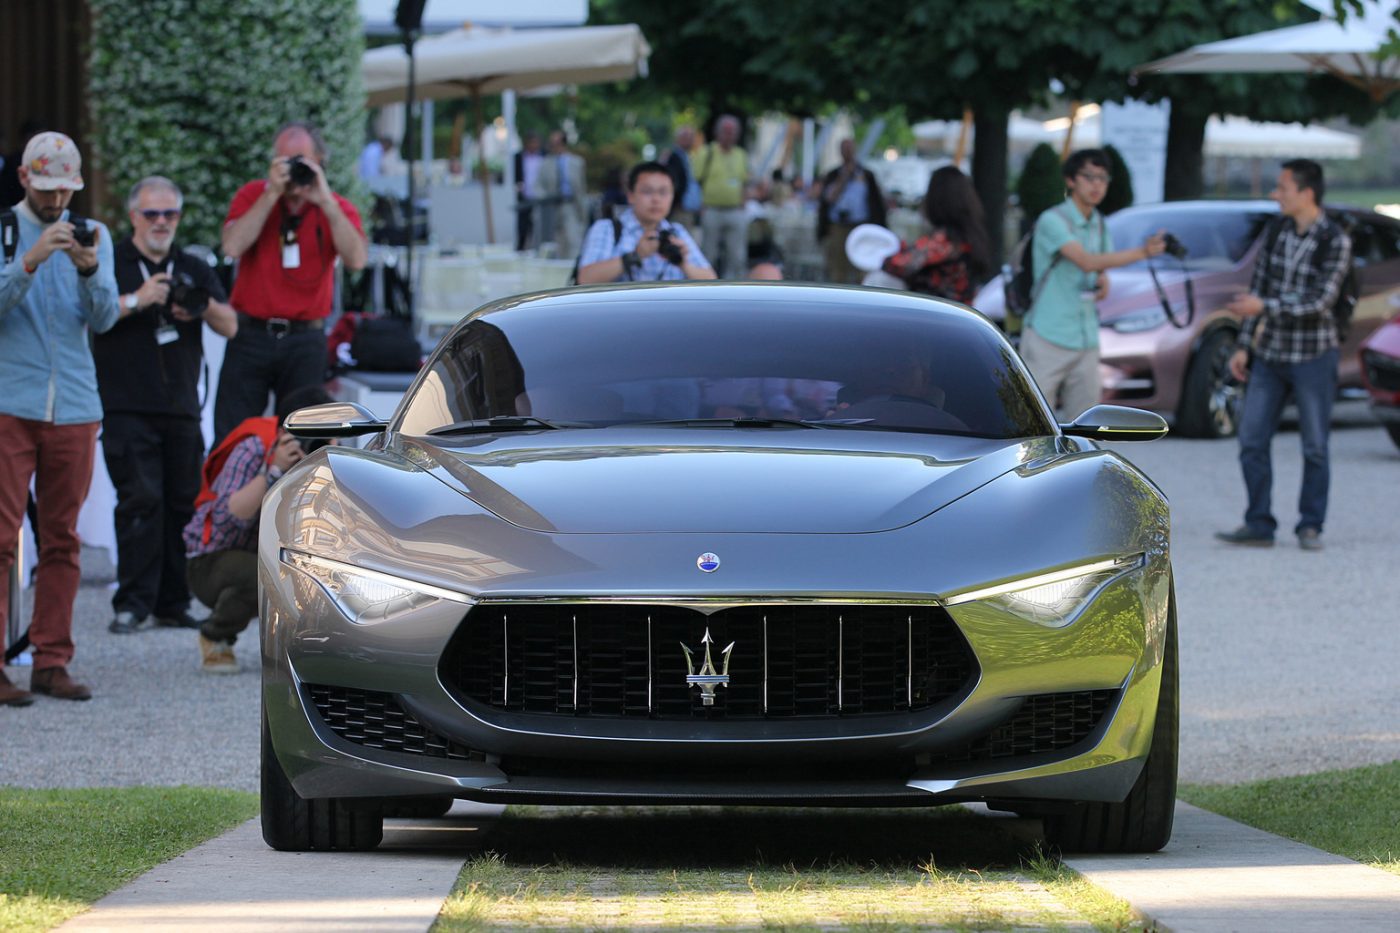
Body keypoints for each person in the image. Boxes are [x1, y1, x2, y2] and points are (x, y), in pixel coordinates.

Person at [0, 131, 118, 706]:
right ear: (25, 178)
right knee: (2, 538)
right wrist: (30, 260)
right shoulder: (5, 230)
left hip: (74, 405)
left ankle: (51, 662)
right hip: (10, 403)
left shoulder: (94, 234)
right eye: (46, 189)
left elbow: (106, 318)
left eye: (64, 191)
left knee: (62, 538)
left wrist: (90, 269)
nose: (55, 202)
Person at [95, 176, 238, 636]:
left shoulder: (192, 265)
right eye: (151, 214)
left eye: (169, 214)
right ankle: (133, 603)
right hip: (126, 404)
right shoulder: (111, 261)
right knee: (140, 503)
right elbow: (93, 316)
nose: (161, 222)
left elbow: (230, 324)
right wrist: (139, 299)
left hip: (181, 407)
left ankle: (173, 602)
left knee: (181, 505)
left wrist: (200, 306)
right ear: (133, 216)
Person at [1216, 159, 1352, 551]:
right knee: (1251, 439)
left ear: (1307, 193)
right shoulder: (1277, 232)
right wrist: (1244, 345)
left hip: (1314, 356)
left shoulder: (1334, 239)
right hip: (1271, 354)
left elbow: (1320, 302)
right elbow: (1257, 289)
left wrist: (1266, 307)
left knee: (1315, 446)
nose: (1275, 195)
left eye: (1283, 188)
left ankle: (1310, 525)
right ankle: (1259, 523)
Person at [215, 121, 367, 444]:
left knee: (303, 439)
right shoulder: (254, 195)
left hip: (305, 339)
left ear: (319, 162)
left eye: (301, 162)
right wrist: (271, 194)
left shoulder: (334, 206)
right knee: (234, 437)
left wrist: (325, 201)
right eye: (284, 161)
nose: (292, 171)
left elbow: (356, 259)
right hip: (251, 335)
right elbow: (232, 247)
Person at [185, 385, 332, 673]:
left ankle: (308, 652)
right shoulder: (254, 448)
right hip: (211, 560)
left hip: (263, 554)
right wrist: (273, 471)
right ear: (284, 431)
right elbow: (228, 518)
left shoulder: (325, 455)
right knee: (272, 575)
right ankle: (214, 636)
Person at [1020, 149, 1165, 418]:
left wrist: (1102, 282)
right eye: (1089, 177)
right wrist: (1143, 252)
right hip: (1047, 333)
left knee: (1086, 422)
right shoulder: (1053, 220)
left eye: (1102, 178)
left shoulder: (1099, 223)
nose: (1097, 185)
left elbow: (1100, 270)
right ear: (1071, 180)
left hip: (1086, 336)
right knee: (1035, 420)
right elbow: (1086, 261)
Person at [576, 161, 716, 284]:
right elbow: (586, 279)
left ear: (672, 197)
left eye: (663, 192)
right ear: (630, 195)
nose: (656, 199)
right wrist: (635, 256)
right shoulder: (607, 228)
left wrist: (683, 263)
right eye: (647, 192)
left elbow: (711, 282)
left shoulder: (677, 232)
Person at [881, 166, 990, 304]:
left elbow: (896, 264)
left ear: (937, 199)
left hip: (937, 313)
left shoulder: (945, 240)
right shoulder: (969, 236)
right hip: (959, 311)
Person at [818, 139, 887, 284]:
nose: (848, 152)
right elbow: (828, 198)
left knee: (862, 265)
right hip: (839, 225)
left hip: (861, 224)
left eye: (850, 148)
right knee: (838, 267)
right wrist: (844, 178)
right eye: (845, 149)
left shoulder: (866, 175)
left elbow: (876, 202)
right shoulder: (833, 175)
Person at [697, 115, 751, 278]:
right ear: (717, 132)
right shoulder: (706, 152)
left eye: (733, 132)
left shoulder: (741, 154)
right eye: (726, 131)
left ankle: (735, 287)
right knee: (709, 254)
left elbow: (744, 181)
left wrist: (743, 202)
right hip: (711, 209)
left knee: (737, 256)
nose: (729, 135)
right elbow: (696, 180)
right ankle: (706, 285)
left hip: (735, 210)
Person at [536, 130, 587, 260]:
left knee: (573, 240)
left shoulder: (577, 162)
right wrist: (545, 197)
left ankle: (572, 266)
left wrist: (582, 212)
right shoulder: (545, 163)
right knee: (554, 242)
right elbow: (538, 186)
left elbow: (581, 189)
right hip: (551, 207)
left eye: (556, 143)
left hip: (570, 205)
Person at [659, 125, 703, 230]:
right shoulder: (673, 156)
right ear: (678, 138)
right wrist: (677, 201)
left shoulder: (689, 156)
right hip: (678, 208)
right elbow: (672, 181)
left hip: (688, 208)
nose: (689, 140)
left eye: (691, 137)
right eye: (686, 137)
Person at [513, 132, 544, 251]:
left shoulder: (544, 156)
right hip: (524, 197)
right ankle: (521, 249)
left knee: (538, 227)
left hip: (540, 198)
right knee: (523, 227)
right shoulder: (518, 157)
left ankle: (537, 249)